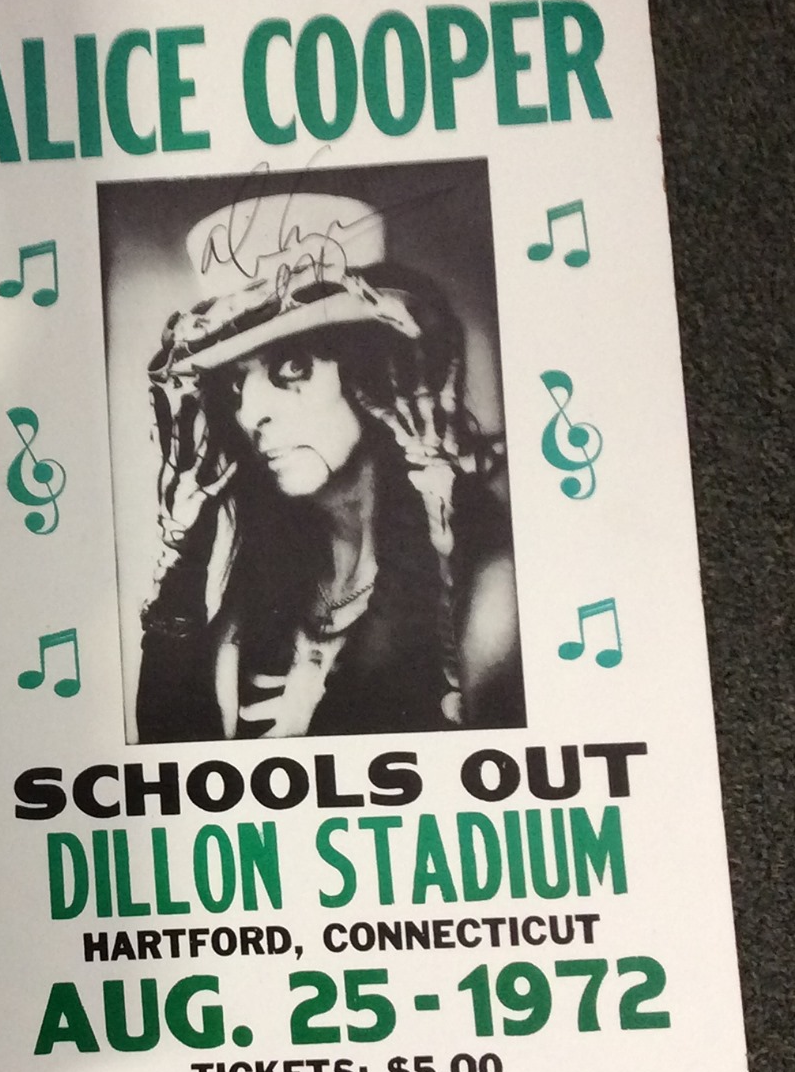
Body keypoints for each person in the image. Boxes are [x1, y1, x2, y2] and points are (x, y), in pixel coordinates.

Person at [135, 192, 520, 743]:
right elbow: (170, 760)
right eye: (238, 384)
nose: (251, 413)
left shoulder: (484, 584)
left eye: (292, 366)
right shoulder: (258, 597)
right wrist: (184, 556)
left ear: (374, 371)